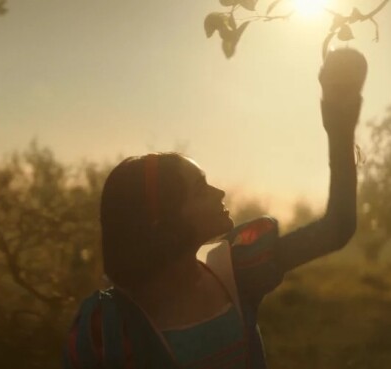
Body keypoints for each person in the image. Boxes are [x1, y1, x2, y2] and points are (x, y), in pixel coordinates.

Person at [62, 48, 366, 369]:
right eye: (199, 189)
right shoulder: (104, 331)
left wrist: (339, 117)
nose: (219, 192)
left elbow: (337, 228)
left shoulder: (234, 270)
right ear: (162, 220)